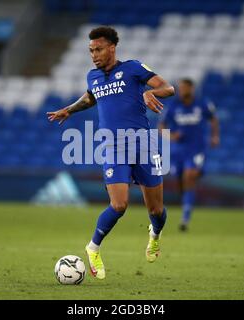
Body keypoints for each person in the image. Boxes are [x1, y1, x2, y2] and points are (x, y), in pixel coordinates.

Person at [47, 26, 175, 279]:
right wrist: (69, 110)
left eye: (99, 49)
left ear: (112, 48)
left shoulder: (133, 68)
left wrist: (151, 92)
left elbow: (168, 88)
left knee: (156, 211)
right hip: (112, 146)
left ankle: (155, 234)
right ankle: (93, 247)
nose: (94, 54)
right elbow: (90, 98)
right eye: (91, 50)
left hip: (143, 144)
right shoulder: (93, 76)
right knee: (119, 205)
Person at [158, 78, 219, 232]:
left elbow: (213, 119)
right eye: (181, 87)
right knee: (180, 184)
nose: (183, 90)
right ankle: (186, 200)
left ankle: (185, 216)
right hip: (178, 150)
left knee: (189, 176)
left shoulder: (202, 104)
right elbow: (161, 127)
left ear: (192, 89)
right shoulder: (172, 107)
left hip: (196, 148)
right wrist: (171, 137)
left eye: (186, 87)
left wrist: (215, 136)